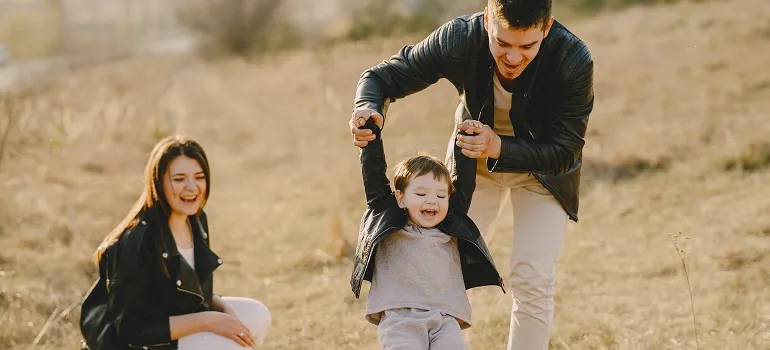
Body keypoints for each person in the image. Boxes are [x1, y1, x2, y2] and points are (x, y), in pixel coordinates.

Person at [348, 1, 595, 349]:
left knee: (533, 279)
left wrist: (499, 146)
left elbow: (566, 150)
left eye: (527, 46)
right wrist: (367, 109)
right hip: (471, 167)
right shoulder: (459, 38)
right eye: (502, 43)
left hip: (543, 173)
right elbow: (381, 77)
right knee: (441, 267)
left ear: (547, 27)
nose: (513, 57)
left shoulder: (574, 59)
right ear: (487, 21)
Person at [80, 135, 271, 349]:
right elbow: (130, 331)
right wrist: (208, 320)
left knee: (257, 314)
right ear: (158, 183)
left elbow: (185, 292)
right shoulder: (136, 241)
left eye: (199, 177)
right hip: (145, 345)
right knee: (227, 344)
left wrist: (223, 309)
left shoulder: (196, 221)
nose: (192, 187)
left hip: (177, 327)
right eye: (179, 179)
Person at [350, 117, 504, 349]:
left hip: (445, 319)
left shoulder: (451, 224)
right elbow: (373, 176)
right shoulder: (391, 221)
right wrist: (370, 135)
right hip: (400, 318)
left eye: (440, 195)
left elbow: (464, 180)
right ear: (400, 198)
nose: (432, 200)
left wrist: (467, 137)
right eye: (421, 194)